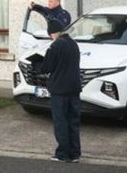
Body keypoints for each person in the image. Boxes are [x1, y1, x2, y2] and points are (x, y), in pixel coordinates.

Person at [40, 19, 82, 163]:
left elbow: (46, 67)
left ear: (53, 33)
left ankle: (62, 154)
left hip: (59, 89)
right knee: (73, 121)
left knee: (61, 122)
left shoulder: (56, 46)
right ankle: (75, 153)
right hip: (74, 88)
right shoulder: (74, 44)